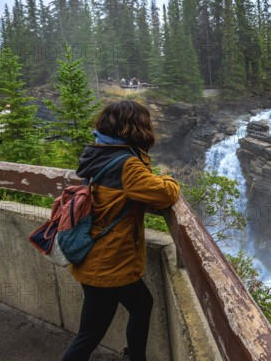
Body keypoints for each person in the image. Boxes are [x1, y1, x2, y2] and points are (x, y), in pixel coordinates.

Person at [62, 100, 180, 361]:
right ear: (135, 128)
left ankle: (136, 357)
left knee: (139, 306)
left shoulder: (99, 152)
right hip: (108, 263)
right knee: (90, 334)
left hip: (95, 255)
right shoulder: (127, 164)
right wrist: (169, 179)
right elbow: (162, 193)